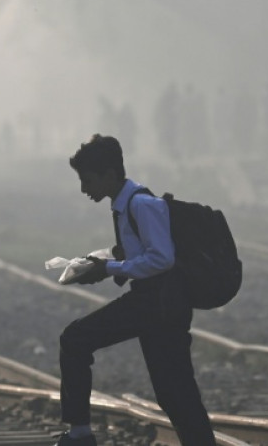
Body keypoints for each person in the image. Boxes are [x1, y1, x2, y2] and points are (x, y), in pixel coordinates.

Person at [57, 134, 216, 446]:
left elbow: (162, 258)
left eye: (88, 180)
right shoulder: (125, 205)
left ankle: (79, 435)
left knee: (75, 339)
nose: (84, 189)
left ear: (110, 175)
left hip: (158, 303)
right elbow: (139, 254)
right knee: (174, 391)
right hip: (156, 303)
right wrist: (99, 267)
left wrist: (111, 268)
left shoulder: (142, 204)